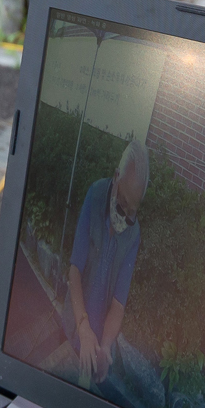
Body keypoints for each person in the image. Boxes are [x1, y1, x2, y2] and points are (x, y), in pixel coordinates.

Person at [67, 140, 148, 385]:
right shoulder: (96, 194)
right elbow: (74, 271)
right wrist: (82, 326)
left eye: (131, 212)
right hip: (74, 321)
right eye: (122, 204)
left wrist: (105, 345)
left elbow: (118, 304)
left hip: (100, 333)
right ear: (116, 178)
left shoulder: (134, 235)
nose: (124, 216)